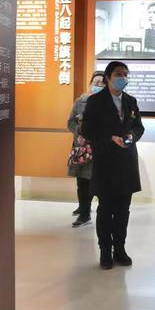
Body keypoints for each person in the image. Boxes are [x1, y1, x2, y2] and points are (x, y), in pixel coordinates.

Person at [81, 61, 145, 270]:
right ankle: (105, 251)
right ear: (108, 77)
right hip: (106, 163)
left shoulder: (130, 101)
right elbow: (87, 130)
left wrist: (131, 136)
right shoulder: (95, 101)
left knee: (123, 210)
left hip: (127, 162)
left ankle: (120, 249)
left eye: (125, 74)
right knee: (105, 209)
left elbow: (139, 127)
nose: (122, 78)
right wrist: (110, 139)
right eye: (118, 74)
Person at [67, 71, 105, 228]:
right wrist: (79, 133)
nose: (98, 85)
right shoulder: (80, 101)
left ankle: (99, 213)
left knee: (99, 183)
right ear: (90, 83)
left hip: (101, 150)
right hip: (83, 150)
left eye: (102, 82)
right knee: (82, 183)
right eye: (96, 82)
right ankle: (84, 212)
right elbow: (70, 122)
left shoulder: (109, 103)